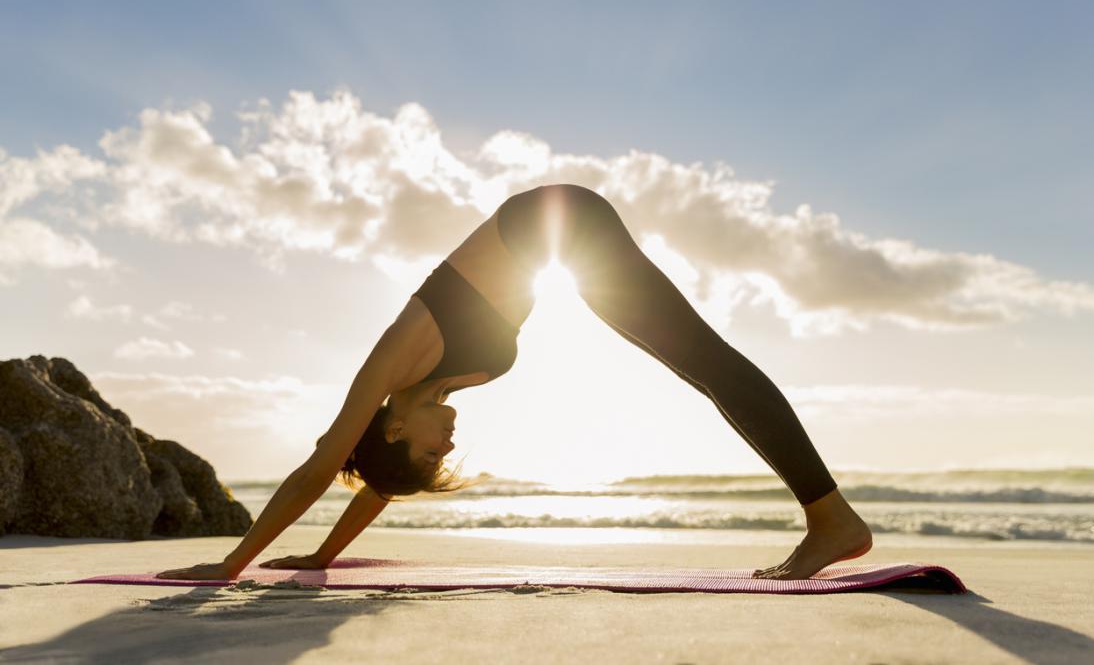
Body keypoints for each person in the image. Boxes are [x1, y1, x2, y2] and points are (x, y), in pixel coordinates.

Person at [157, 183, 871, 582]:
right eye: (443, 458)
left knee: (706, 363)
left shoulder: (392, 361)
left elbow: (322, 465)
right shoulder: (428, 395)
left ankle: (831, 519)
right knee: (701, 368)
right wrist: (321, 555)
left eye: (429, 454)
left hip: (554, 224)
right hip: (563, 239)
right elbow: (378, 482)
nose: (449, 445)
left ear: (393, 428)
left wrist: (231, 565)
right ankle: (828, 516)